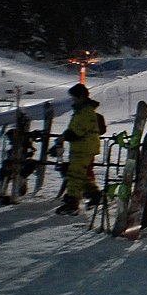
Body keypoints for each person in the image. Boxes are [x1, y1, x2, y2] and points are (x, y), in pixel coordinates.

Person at [56, 83, 102, 215]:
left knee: (75, 174)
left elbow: (77, 131)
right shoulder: (81, 111)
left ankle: (72, 202)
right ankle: (94, 194)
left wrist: (64, 137)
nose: (73, 101)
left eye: (74, 98)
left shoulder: (85, 111)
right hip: (81, 147)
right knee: (79, 174)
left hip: (84, 148)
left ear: (81, 97)